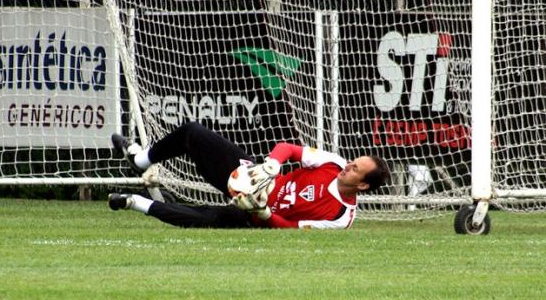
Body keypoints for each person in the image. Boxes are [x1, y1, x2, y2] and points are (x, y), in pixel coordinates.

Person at [108, 122, 390, 229]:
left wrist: (264, 213)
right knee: (193, 134)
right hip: (255, 177)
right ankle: (140, 159)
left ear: (363, 185)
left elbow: (292, 230)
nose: (348, 165)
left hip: (257, 214)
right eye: (352, 161)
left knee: (208, 219)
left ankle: (135, 202)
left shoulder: (340, 217)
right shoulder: (332, 163)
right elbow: (289, 149)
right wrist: (271, 166)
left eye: (355, 169)